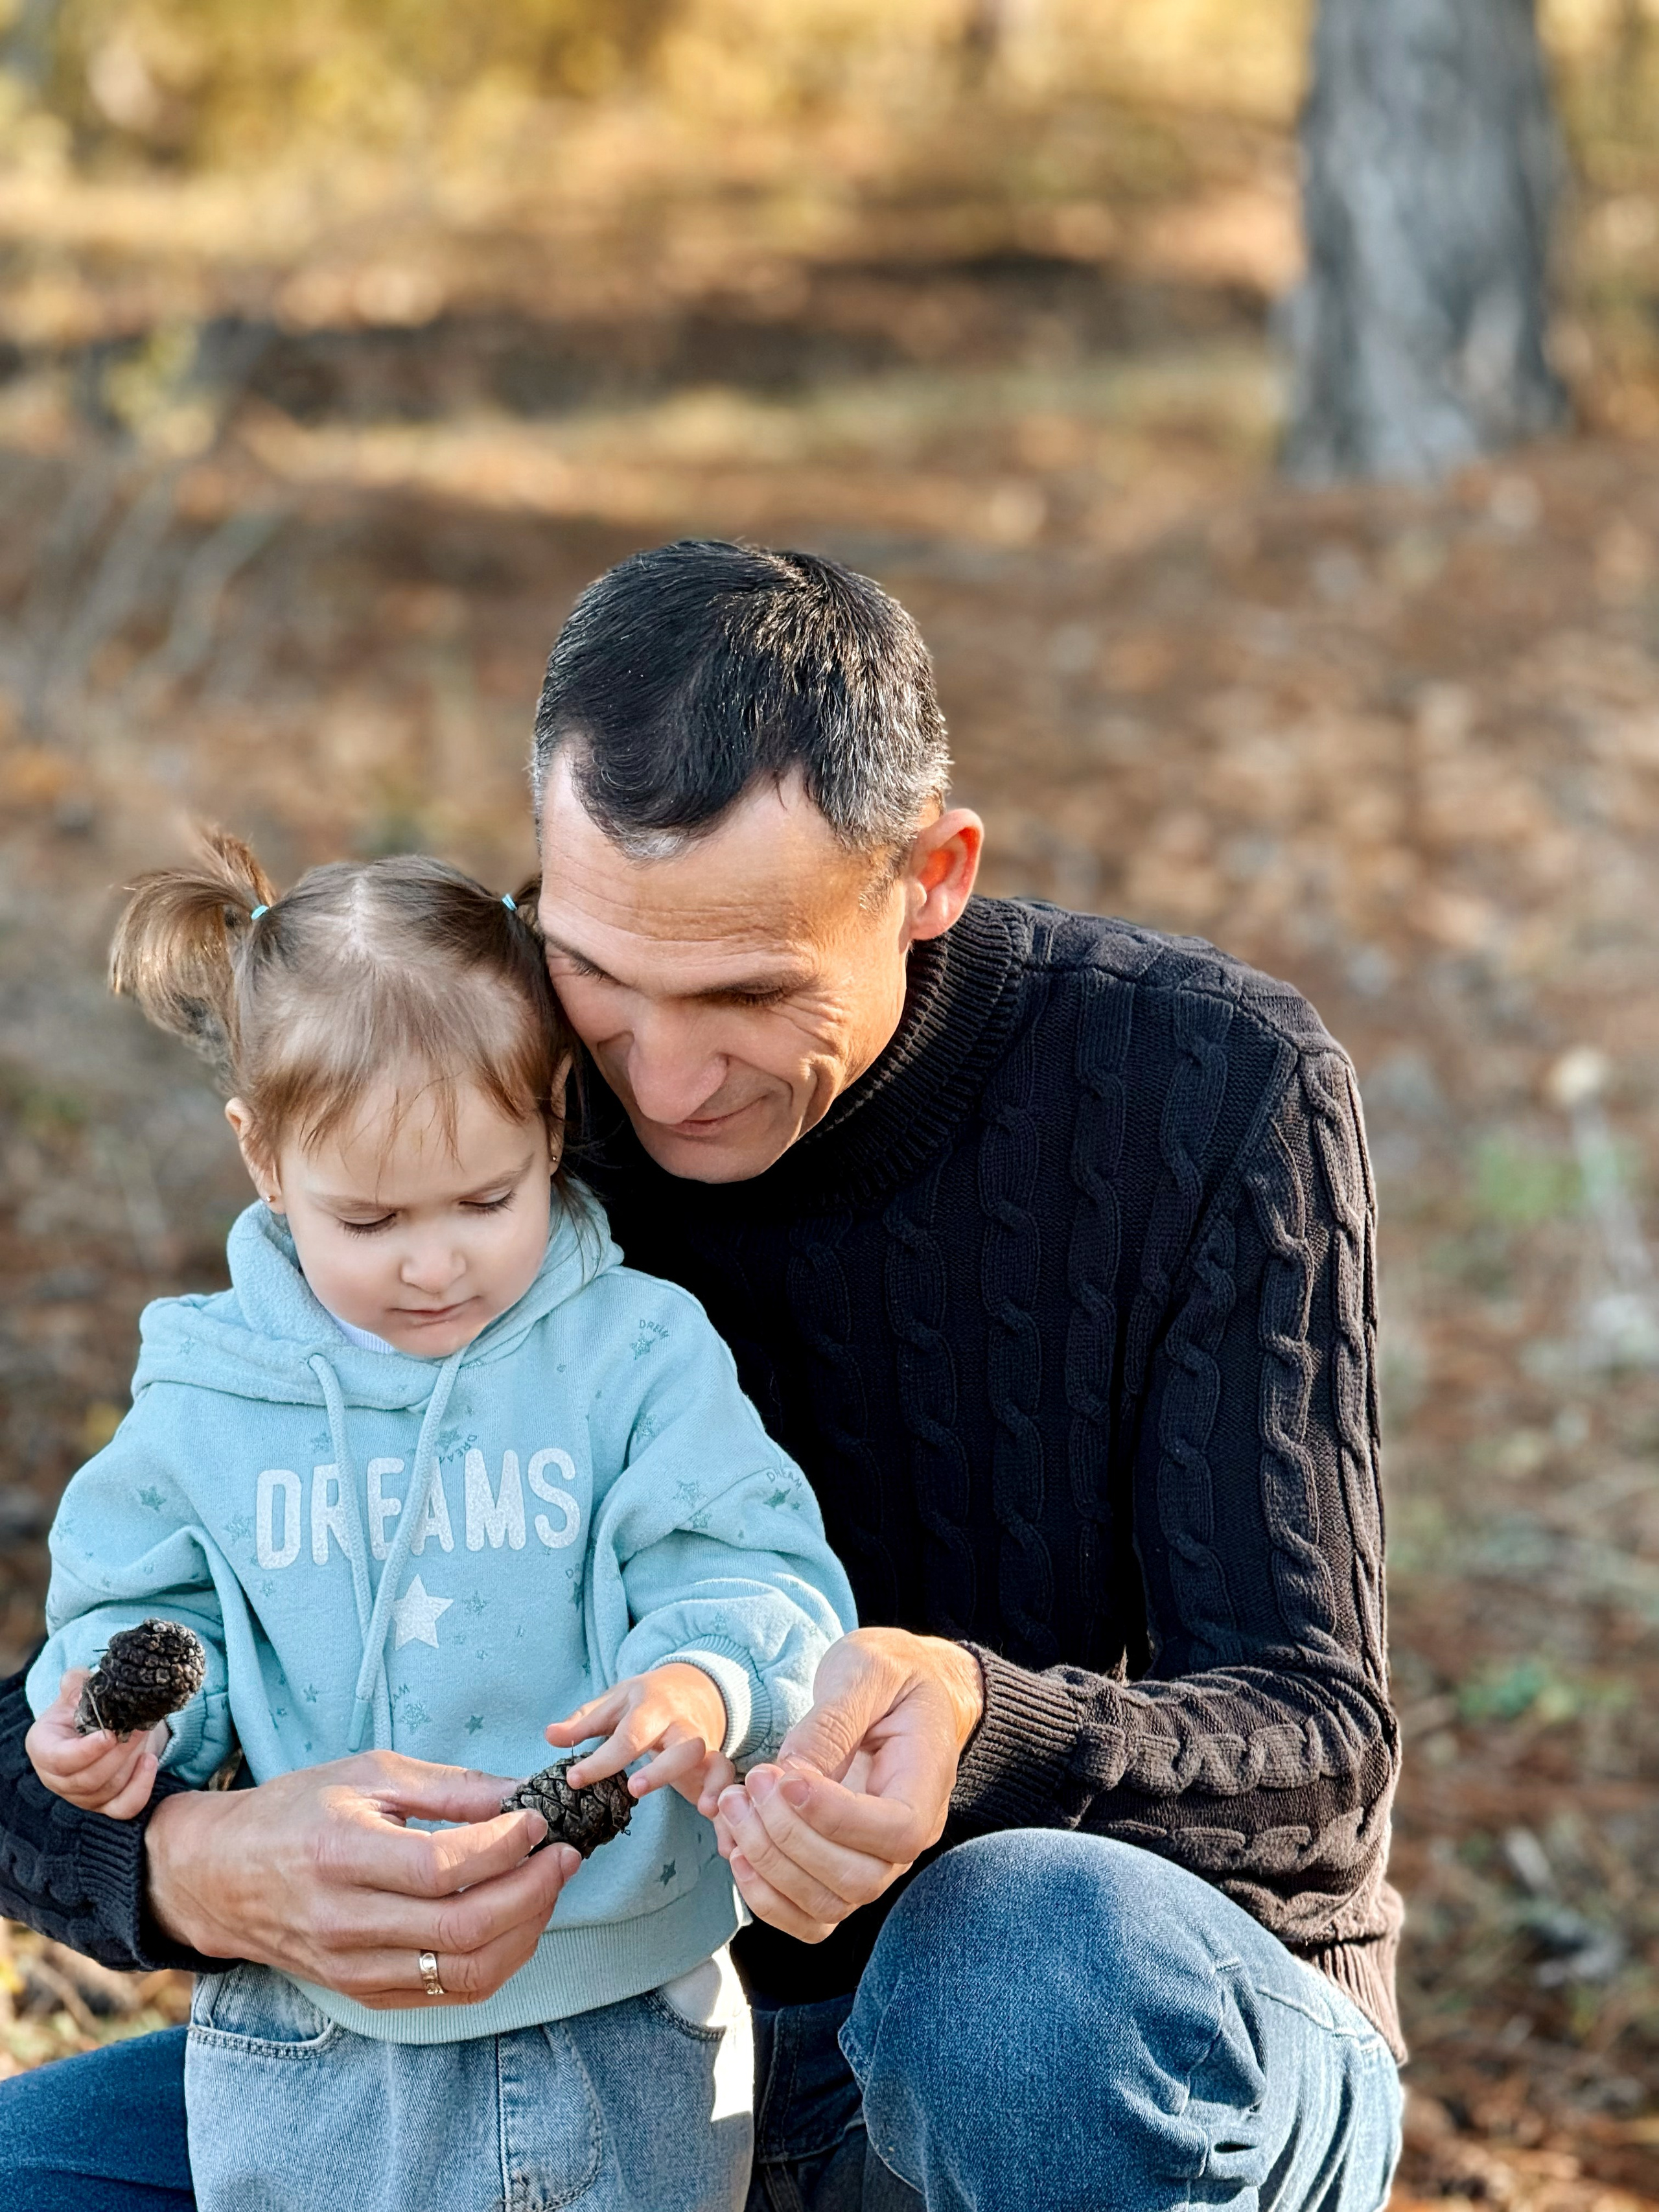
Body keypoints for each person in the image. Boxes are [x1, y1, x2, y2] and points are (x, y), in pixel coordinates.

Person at [0, 541, 1402, 2212]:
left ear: (931, 873)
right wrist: (192, 1861)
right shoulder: (477, 1099)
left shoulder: (1203, 1089)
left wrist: (986, 1732)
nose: (659, 1081)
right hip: (589, 2051)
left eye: (748, 993)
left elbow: (1316, 1743)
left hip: (1098, 2050)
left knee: (1007, 1970)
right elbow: (120, 1640)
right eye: (600, 973)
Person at [12, 833, 854, 2212]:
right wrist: (124, 1717)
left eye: (485, 1199)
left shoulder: (630, 1356)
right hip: (306, 2038)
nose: (432, 1261)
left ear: (549, 1127)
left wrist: (706, 1680)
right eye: (370, 1217)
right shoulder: (208, 1393)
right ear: (264, 1159)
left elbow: (749, 1563)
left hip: (615, 2008)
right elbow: (143, 1616)